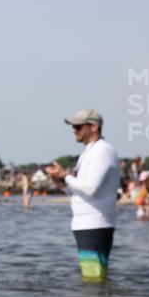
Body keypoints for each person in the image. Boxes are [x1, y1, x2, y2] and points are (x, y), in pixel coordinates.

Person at [45, 110, 120, 282]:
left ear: (94, 127)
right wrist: (60, 181)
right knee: (92, 278)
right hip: (85, 223)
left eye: (78, 126)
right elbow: (77, 190)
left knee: (94, 280)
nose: (73, 130)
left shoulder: (103, 151)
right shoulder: (89, 151)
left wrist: (65, 175)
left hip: (95, 223)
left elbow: (91, 189)